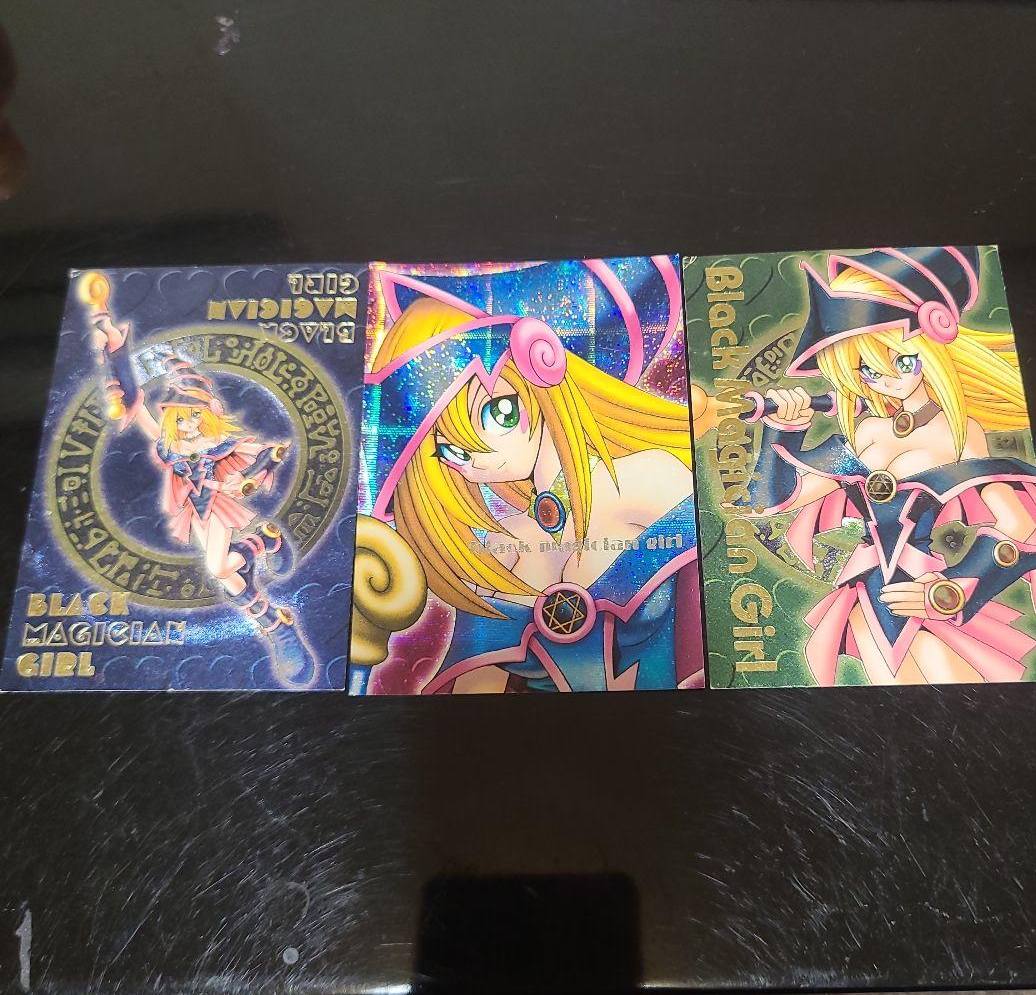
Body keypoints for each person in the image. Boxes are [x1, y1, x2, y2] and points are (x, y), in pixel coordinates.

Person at [364, 259, 703, 692]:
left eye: (496, 413)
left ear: (541, 374)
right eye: (451, 450)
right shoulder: (501, 548)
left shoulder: (644, 478)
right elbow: (473, 686)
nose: (476, 459)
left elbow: (721, 585)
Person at [744, 246, 1036, 684]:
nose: (887, 379)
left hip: (926, 592)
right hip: (866, 595)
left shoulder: (958, 431)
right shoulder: (867, 431)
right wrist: (783, 430)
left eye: (901, 360)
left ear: (934, 349)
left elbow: (1018, 524)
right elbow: (769, 502)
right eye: (867, 370)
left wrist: (955, 588)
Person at [87, 291, 316, 687]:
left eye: (194, 415)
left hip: (220, 500)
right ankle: (268, 572)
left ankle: (271, 602)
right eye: (180, 418)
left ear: (209, 413)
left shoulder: (220, 444)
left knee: (220, 567)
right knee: (227, 572)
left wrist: (246, 479)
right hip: (197, 508)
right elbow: (134, 401)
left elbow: (269, 456)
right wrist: (115, 352)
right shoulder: (169, 445)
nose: (188, 424)